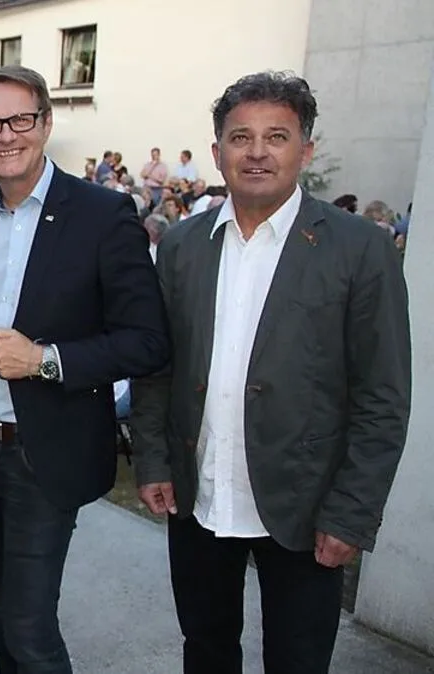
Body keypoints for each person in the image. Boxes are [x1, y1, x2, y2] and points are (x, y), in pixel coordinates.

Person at [130, 71, 411, 674]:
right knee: (206, 650)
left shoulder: (360, 250)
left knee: (298, 660)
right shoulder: (181, 246)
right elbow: (158, 366)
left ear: (305, 150)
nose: (257, 152)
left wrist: (351, 514)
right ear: (217, 153)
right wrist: (152, 460)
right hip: (200, 495)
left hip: (307, 507)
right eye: (241, 137)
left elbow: (383, 397)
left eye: (276, 137)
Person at [0, 65, 170, 674]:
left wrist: (45, 361)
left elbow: (147, 342)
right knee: (0, 608)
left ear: (46, 123)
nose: (6, 135)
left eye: (21, 119)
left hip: (44, 454)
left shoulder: (103, 213)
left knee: (28, 624)